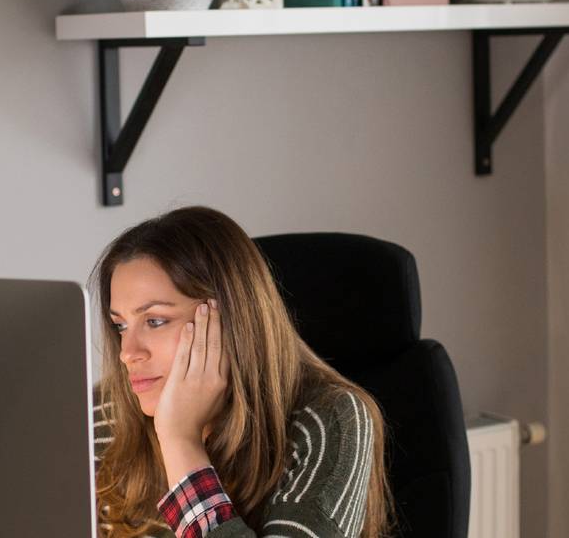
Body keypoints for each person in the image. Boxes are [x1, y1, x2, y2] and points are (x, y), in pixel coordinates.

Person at [90, 205, 394, 538]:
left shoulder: (331, 419)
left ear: (229, 320)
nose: (128, 353)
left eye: (155, 321)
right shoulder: (103, 414)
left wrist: (180, 441)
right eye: (121, 325)